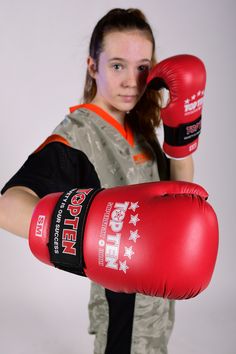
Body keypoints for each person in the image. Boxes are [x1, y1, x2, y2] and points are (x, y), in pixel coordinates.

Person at [0, 8, 196, 354]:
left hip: (158, 309)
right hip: (122, 312)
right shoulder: (77, 136)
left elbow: (181, 199)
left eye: (142, 68)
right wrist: (92, 234)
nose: (131, 81)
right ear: (93, 67)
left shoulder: (141, 129)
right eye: (117, 65)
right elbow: (8, 207)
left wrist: (182, 138)